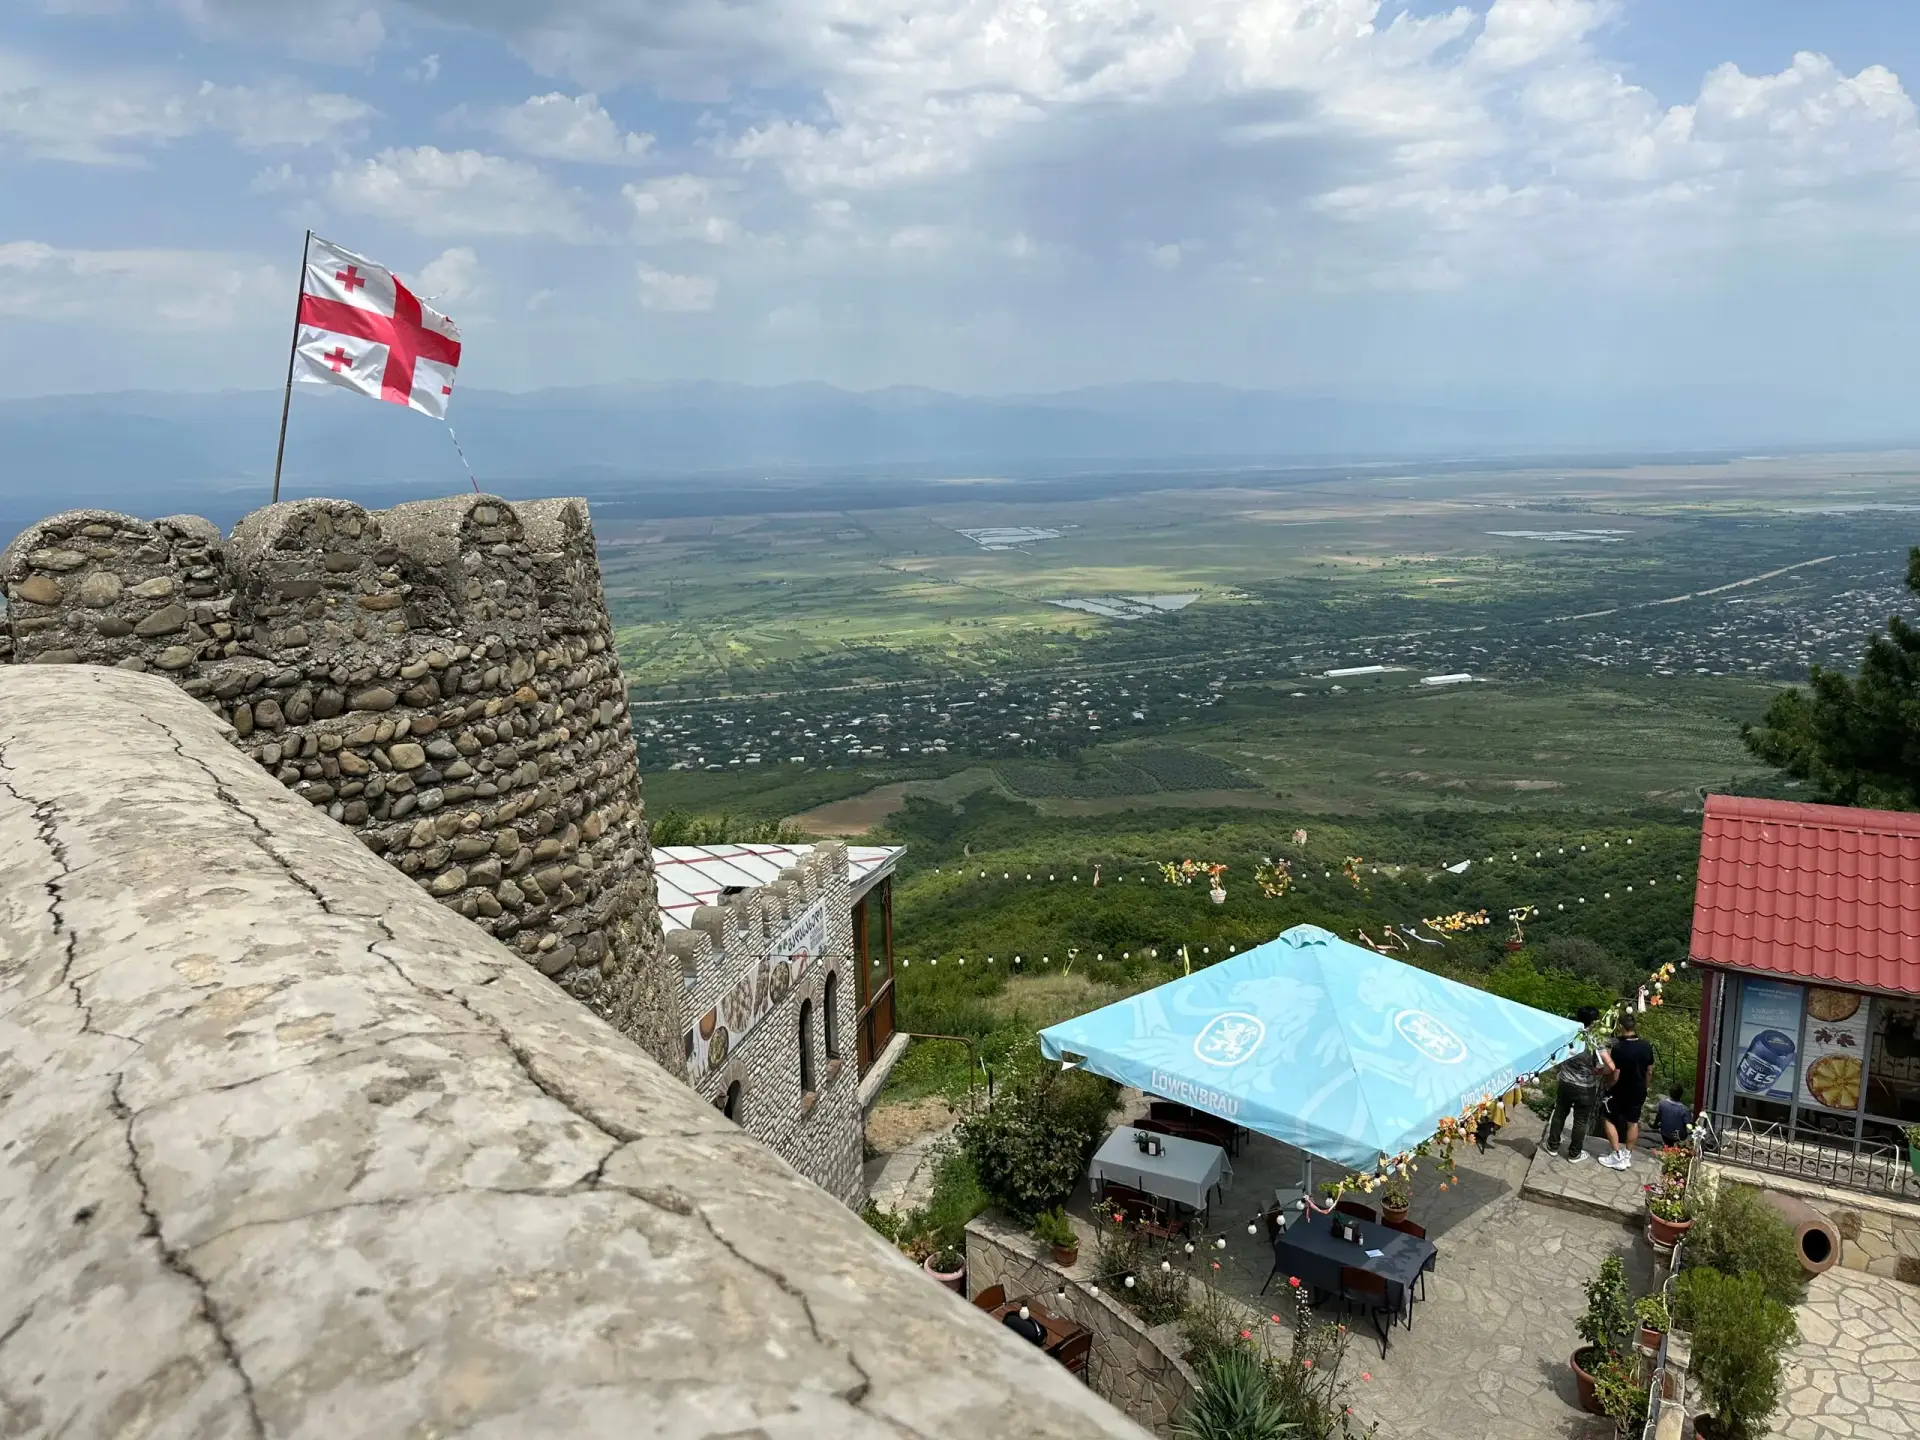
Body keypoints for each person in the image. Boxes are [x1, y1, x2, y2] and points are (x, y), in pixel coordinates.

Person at [1598, 1013, 1656, 1170]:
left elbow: (1616, 1074)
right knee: (1633, 1122)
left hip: (1620, 1090)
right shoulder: (1646, 1045)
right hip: (1638, 1090)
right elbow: (1649, 1070)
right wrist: (1645, 1086)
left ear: (1621, 1027)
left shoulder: (1619, 1047)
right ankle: (1627, 1156)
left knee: (1607, 1117)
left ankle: (1616, 1155)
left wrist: (1609, 1086)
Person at [1545, 1006, 1603, 1163]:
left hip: (1565, 1082)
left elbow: (1557, 1054)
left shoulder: (1570, 1034)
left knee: (1560, 1113)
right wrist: (1599, 1072)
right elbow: (1606, 1065)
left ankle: (1552, 1146)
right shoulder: (1596, 1039)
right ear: (1594, 1021)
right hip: (1586, 1086)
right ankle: (1574, 1153)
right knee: (1581, 1120)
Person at [1654, 1084, 1693, 1148]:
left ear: (1669, 1093)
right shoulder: (1685, 1110)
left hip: (1664, 1133)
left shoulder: (1662, 1104)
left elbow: (1658, 1117)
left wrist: (1655, 1125)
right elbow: (1689, 1125)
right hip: (1678, 1137)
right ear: (1681, 1095)